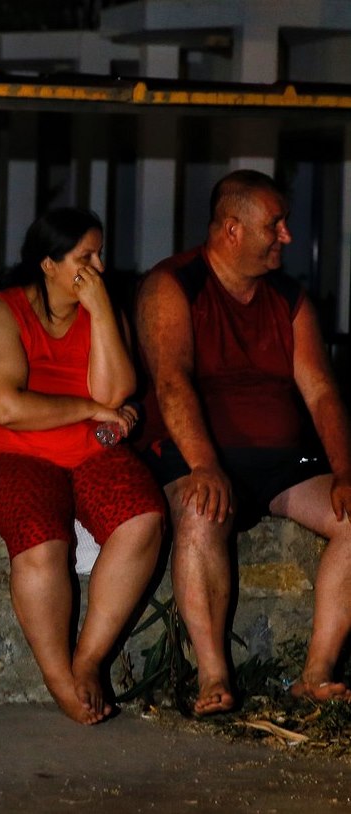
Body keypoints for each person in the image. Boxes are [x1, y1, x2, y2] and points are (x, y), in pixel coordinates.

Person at [136, 169, 351, 715]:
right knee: (200, 512)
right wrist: (205, 465)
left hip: (282, 463)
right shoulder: (173, 284)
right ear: (232, 229)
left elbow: (321, 391)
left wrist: (345, 470)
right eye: (275, 225)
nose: (287, 236)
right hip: (199, 454)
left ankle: (316, 674)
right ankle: (214, 676)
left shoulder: (289, 298)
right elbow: (171, 381)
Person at [0, 208, 165, 725]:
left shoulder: (102, 308)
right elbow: (6, 406)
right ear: (48, 264)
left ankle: (88, 659)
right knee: (41, 538)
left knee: (143, 517)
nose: (98, 267)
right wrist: (89, 410)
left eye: (100, 254)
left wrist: (101, 311)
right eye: (84, 257)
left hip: (87, 451)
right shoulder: (2, 311)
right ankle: (58, 677)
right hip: (9, 452)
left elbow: (115, 393)